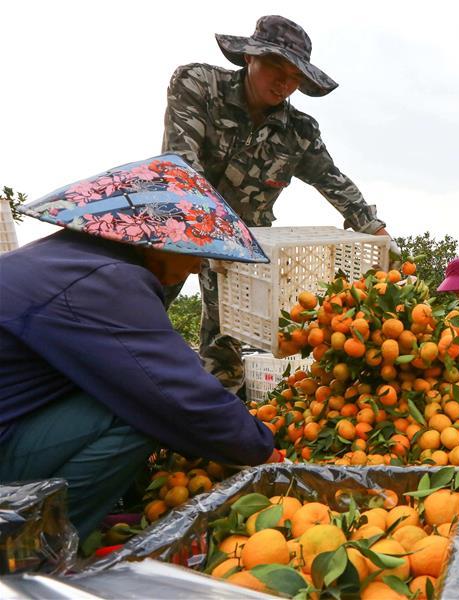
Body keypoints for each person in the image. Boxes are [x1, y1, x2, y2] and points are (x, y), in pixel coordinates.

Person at [0, 156, 281, 539]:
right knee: (139, 410)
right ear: (156, 237)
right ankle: (38, 541)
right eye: (194, 247)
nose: (198, 263)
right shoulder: (107, 278)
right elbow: (178, 393)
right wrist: (263, 452)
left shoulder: (69, 256)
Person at [162, 15, 398, 394]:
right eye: (275, 66)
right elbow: (181, 168)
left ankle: (218, 433)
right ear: (249, 57)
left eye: (294, 76)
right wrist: (204, 239)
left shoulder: (298, 133)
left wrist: (377, 232)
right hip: (176, 231)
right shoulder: (199, 85)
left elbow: (332, 180)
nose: (284, 82)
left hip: (241, 252)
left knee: (225, 347)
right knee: (138, 312)